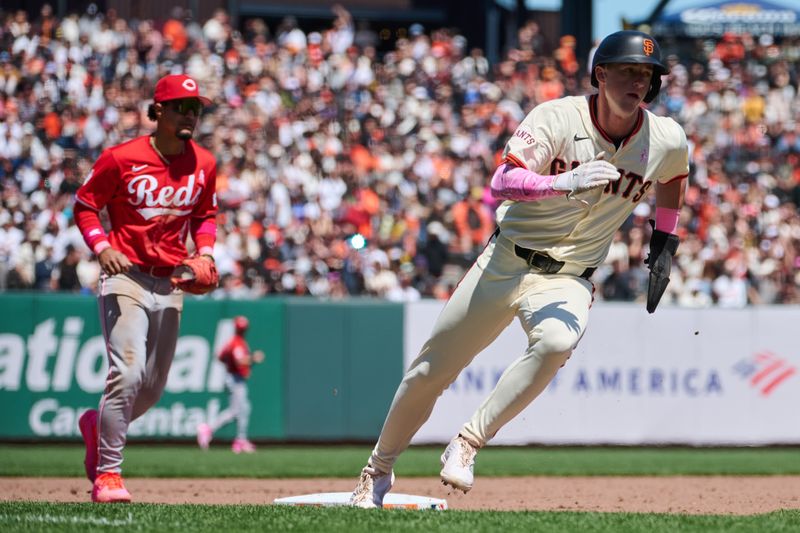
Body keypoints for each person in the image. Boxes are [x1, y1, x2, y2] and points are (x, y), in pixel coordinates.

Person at [349, 30, 689, 508]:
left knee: (556, 341)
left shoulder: (665, 137)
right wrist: (563, 181)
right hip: (507, 259)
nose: (640, 80)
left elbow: (675, 175)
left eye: (648, 74)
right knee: (428, 372)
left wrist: (665, 238)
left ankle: (468, 441)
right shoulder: (557, 116)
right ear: (600, 73)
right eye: (630, 70)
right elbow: (502, 180)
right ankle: (376, 470)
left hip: (569, 275)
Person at [74, 74, 218, 503]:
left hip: (171, 277)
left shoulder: (204, 163)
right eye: (180, 106)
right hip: (126, 273)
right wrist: (101, 247)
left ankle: (95, 427)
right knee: (129, 371)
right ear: (157, 111)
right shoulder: (121, 158)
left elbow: (205, 215)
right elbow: (85, 205)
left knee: (152, 388)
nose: (189, 114)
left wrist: (206, 253)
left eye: (195, 108)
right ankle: (109, 474)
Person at [196, 315, 265, 453]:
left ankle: (238, 439)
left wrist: (233, 365)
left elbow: (220, 356)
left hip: (233, 377)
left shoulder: (232, 342)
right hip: (235, 379)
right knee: (239, 410)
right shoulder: (237, 343)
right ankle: (210, 429)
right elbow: (240, 361)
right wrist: (253, 358)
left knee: (241, 409)